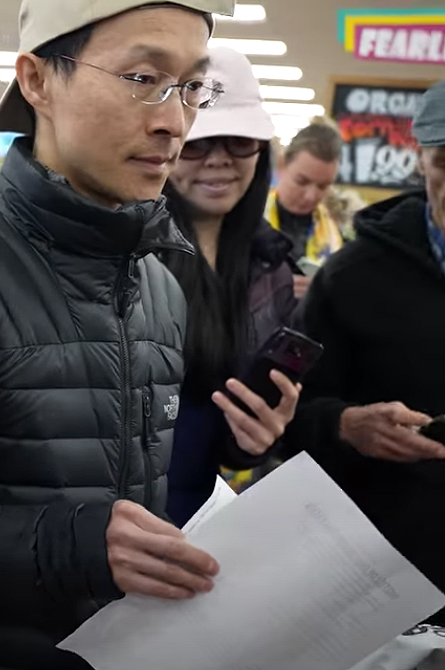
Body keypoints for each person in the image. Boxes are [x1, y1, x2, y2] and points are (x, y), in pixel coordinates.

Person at [0, 2, 298, 668]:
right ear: (37, 81)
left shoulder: (160, 287)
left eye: (192, 87)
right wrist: (70, 546)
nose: (174, 120)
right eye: (142, 78)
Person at [288, 79, 445, 625]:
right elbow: (286, 414)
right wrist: (344, 424)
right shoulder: (350, 277)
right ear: (420, 160)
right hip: (386, 573)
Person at [159, 47, 301, 524]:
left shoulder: (270, 267)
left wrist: (256, 440)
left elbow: (231, 443)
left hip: (206, 520)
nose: (219, 161)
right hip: (118, 524)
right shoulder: (128, 258)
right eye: (197, 144)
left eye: (240, 141)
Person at [269, 121, 344, 298]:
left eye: (323, 186)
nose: (311, 196)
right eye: (302, 182)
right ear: (282, 165)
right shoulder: (245, 220)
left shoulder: (343, 233)